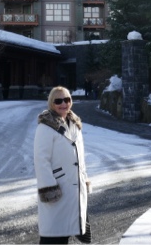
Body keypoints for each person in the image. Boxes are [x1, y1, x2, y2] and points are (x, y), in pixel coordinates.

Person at [34, 86, 91, 244]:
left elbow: (80, 158)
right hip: (58, 188)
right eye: (58, 101)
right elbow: (41, 160)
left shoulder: (75, 124)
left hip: (74, 189)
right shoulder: (45, 127)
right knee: (53, 235)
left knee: (68, 232)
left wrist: (83, 178)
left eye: (67, 99)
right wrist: (49, 188)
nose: (64, 104)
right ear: (51, 103)